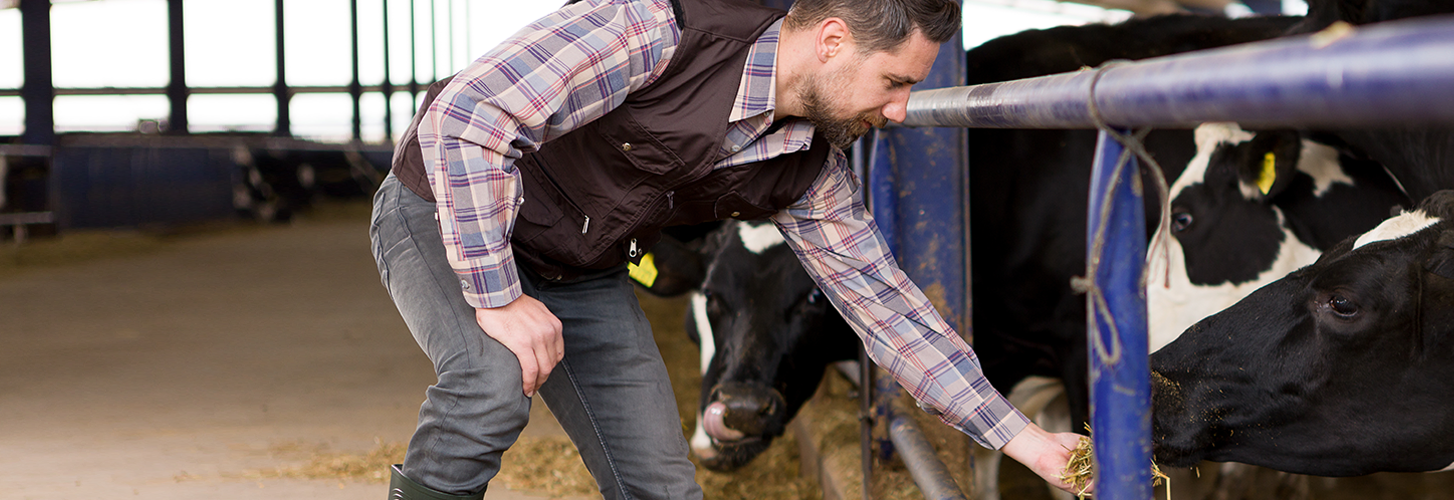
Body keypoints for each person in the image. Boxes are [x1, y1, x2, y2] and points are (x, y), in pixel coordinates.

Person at [367, 0, 1086, 498]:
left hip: (581, 269)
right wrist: (500, 297)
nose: (899, 111)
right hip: (448, 206)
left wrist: (1028, 442)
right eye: (895, 82)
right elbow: (469, 115)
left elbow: (891, 314)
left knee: (663, 486)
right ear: (832, 41)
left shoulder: (808, 168)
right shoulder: (661, 27)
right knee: (490, 385)